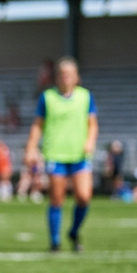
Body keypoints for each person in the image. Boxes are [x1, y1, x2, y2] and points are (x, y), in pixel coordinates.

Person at [24, 57, 98, 252]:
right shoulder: (47, 97)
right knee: (57, 199)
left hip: (80, 155)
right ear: (57, 77)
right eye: (62, 74)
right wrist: (31, 148)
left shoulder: (85, 97)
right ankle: (55, 242)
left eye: (69, 74)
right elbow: (37, 126)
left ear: (76, 77)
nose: (65, 77)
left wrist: (90, 141)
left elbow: (92, 124)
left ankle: (73, 231)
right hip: (56, 154)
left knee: (84, 197)